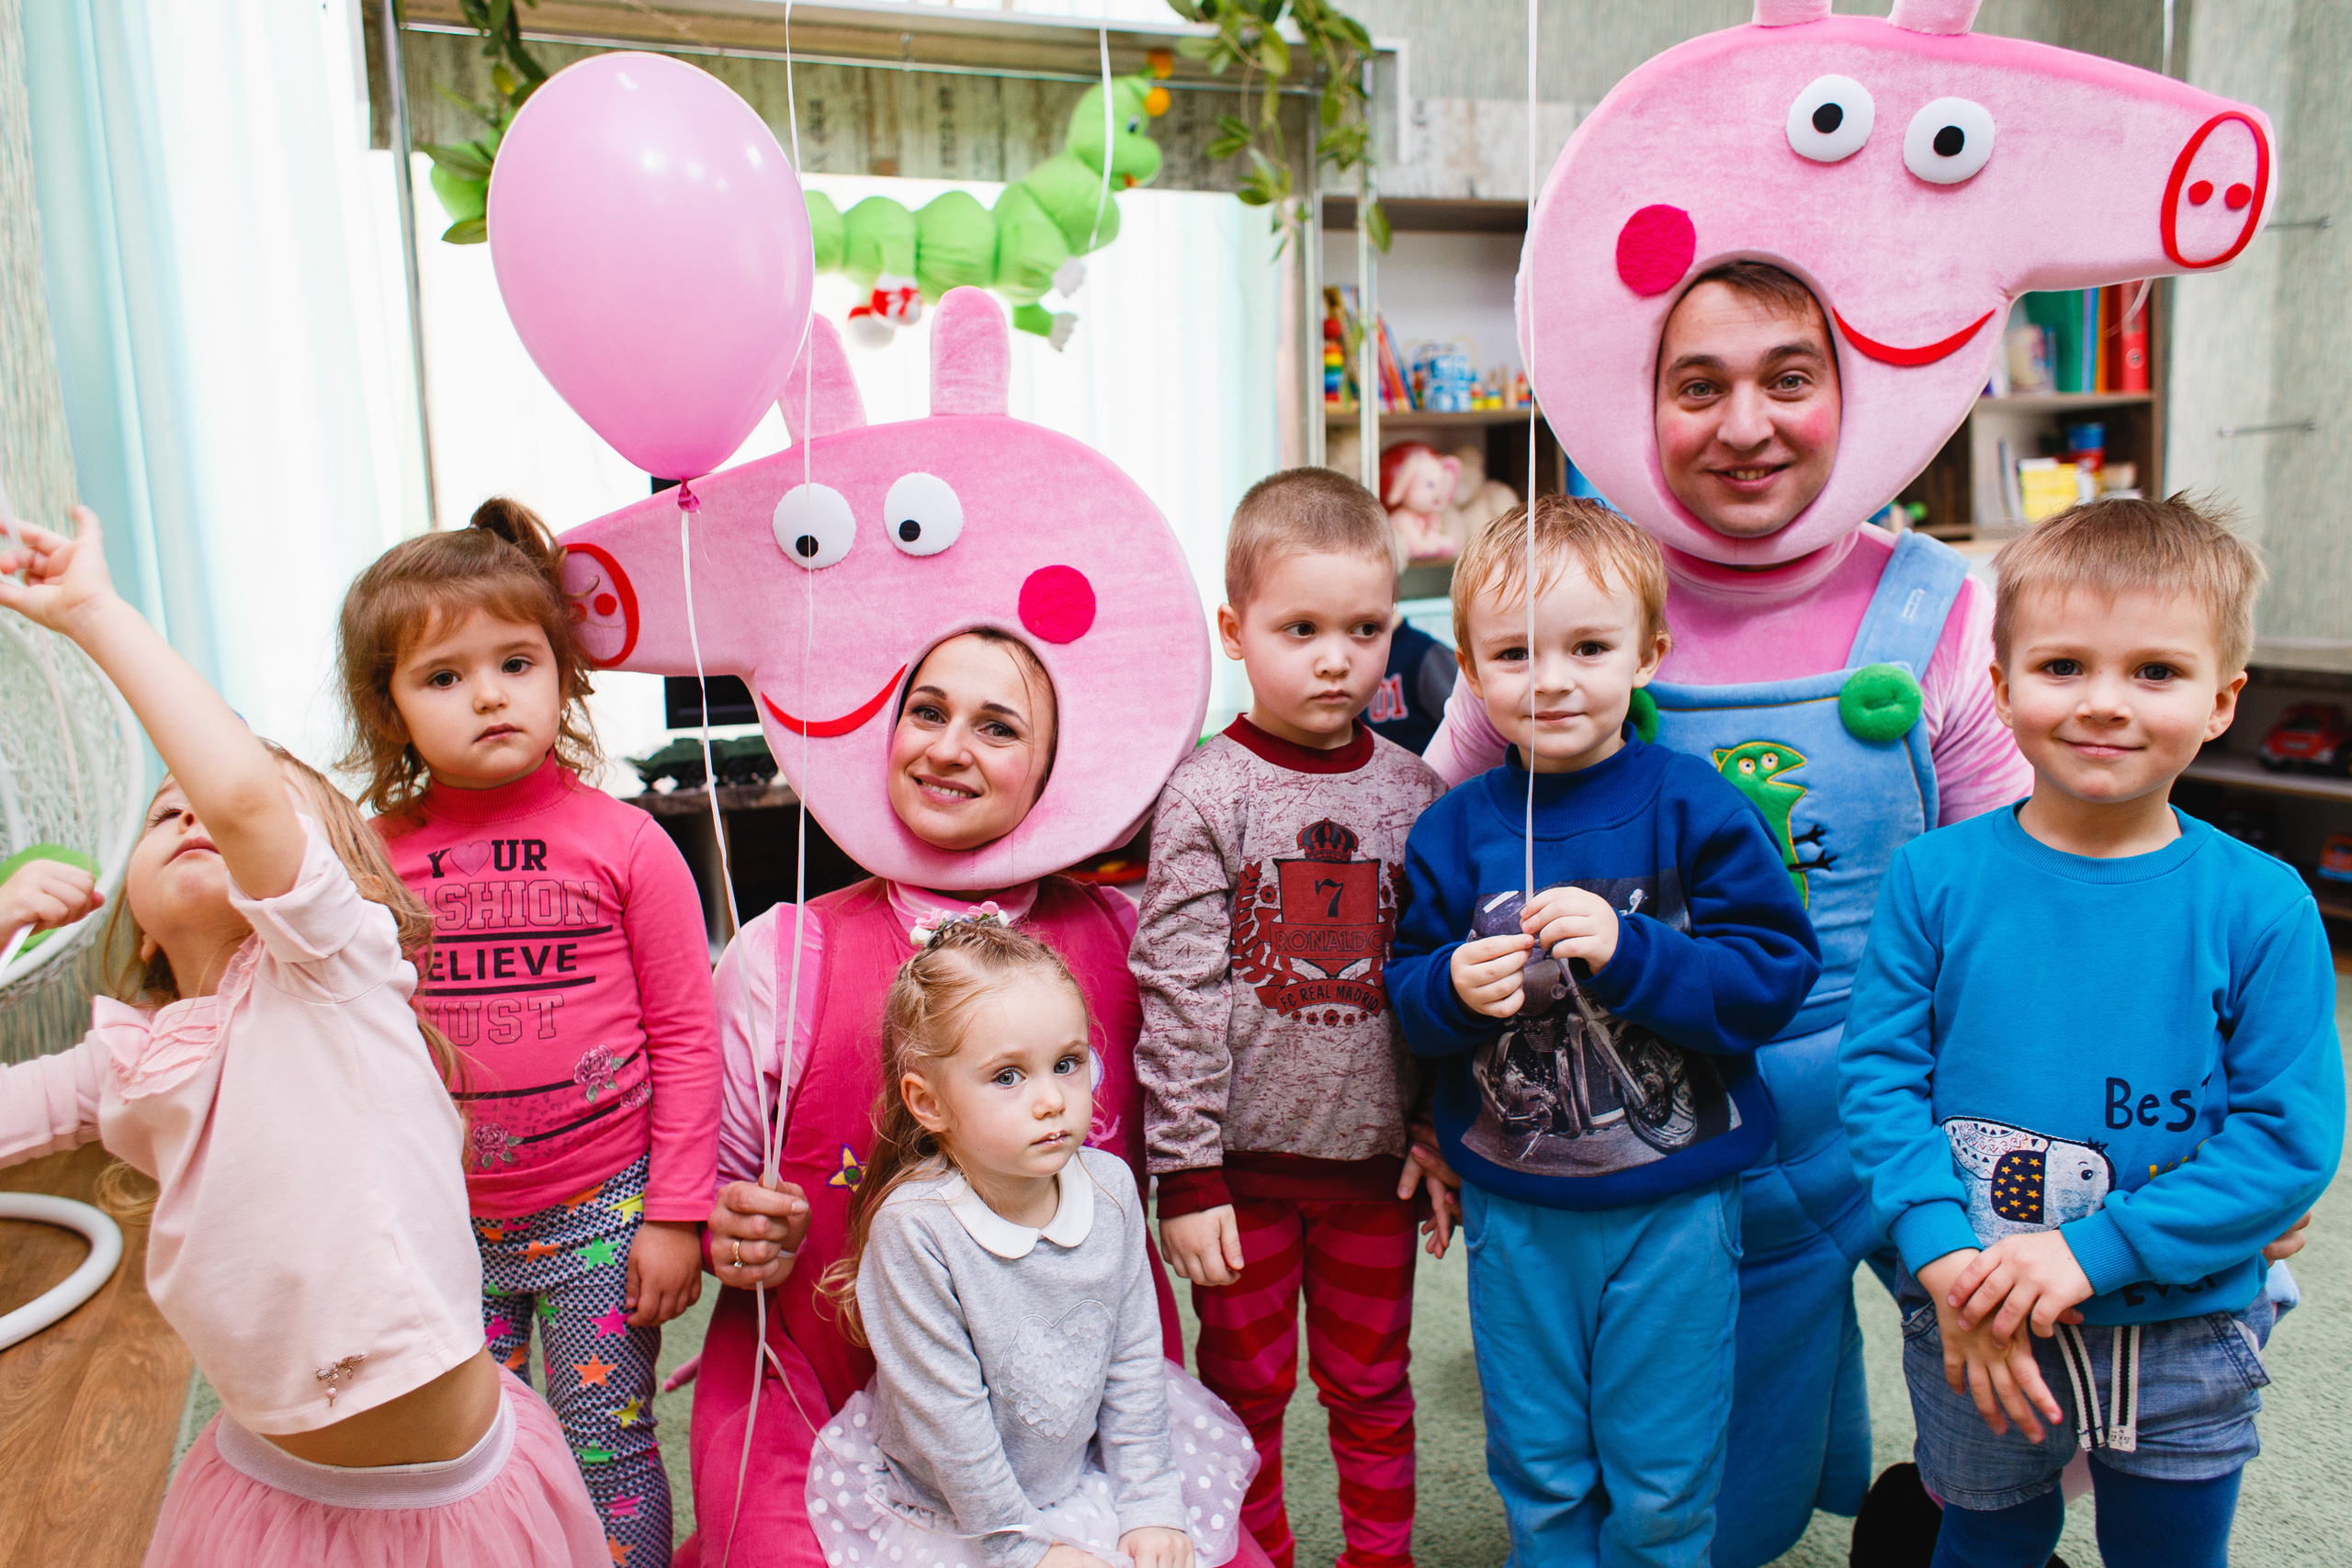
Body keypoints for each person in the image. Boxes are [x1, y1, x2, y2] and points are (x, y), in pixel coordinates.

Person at [1421, 261, 2030, 1562]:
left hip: (1907, 1088)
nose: (1745, 423)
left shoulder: (1934, 607)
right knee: (1719, 1505)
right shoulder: (1561, 599)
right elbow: (1422, 879)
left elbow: (2021, 885)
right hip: (1681, 1142)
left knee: (2032, 1373)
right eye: (1699, 386)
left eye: (1788, 378)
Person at [0, 509, 605, 1565]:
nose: (196, 814)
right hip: (266, 1491)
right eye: (161, 817)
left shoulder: (331, 969)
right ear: (134, 920)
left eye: (232, 808)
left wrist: (93, 614)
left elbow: (238, 794)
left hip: (447, 1505)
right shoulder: (124, 1061)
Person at [689, 626, 1268, 1568]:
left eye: (997, 727)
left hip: (1080, 1398)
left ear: (1049, 769)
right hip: (834, 1388)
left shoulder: (1125, 937)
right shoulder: (781, 954)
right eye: (926, 711)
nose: (948, 746)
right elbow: (710, 1181)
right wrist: (728, 1225)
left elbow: (1217, 1092)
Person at [1838, 498, 2343, 1568]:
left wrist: (2091, 1249)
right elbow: (1878, 1084)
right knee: (1987, 1535)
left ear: (2222, 700)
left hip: (2186, 1322)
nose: (2103, 704)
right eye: (2063, 665)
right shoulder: (1931, 880)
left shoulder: (2265, 904)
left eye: (2154, 672)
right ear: (2000, 686)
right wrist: (1937, 1254)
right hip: (1975, 1306)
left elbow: (2286, 1144)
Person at [1387, 499, 1821, 1565]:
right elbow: (1400, 1000)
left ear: (1648, 652)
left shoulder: (1695, 804)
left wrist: (1632, 953)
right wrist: (1450, 988)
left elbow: (1773, 977)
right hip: (1515, 1206)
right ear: (1472, 671)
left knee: (1665, 1472)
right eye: (1514, 653)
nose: (1552, 679)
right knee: (1536, 1464)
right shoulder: (1450, 826)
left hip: (1673, 1205)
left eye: (1588, 647)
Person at [342, 498, 720, 1564]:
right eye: (444, 676)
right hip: (442, 1229)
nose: (490, 696)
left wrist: (676, 1214)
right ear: (391, 709)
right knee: (473, 1460)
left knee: (610, 1444)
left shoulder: (631, 845)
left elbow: (688, 1039)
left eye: (516, 662)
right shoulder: (370, 860)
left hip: (606, 1211)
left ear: (564, 672)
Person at [1134, 469, 1449, 1568]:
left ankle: (1381, 1557)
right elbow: (1173, 989)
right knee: (1245, 1395)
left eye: (1364, 630)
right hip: (1240, 1173)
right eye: (1300, 628)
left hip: (1372, 1168)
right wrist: (1185, 1173)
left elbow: (1434, 982)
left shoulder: (1415, 795)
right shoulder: (1206, 792)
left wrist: (1433, 1127)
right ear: (1235, 629)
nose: (1335, 658)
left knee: (1372, 1386)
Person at [808, 917, 1254, 1568]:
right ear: (928, 1103)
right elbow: (949, 1422)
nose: (1051, 1099)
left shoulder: (1109, 1188)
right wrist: (1022, 1551)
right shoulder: (917, 1229)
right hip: (960, 1508)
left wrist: (1150, 1500)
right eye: (1008, 1076)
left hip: (1075, 1469)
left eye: (1067, 1064)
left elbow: (1131, 1356)